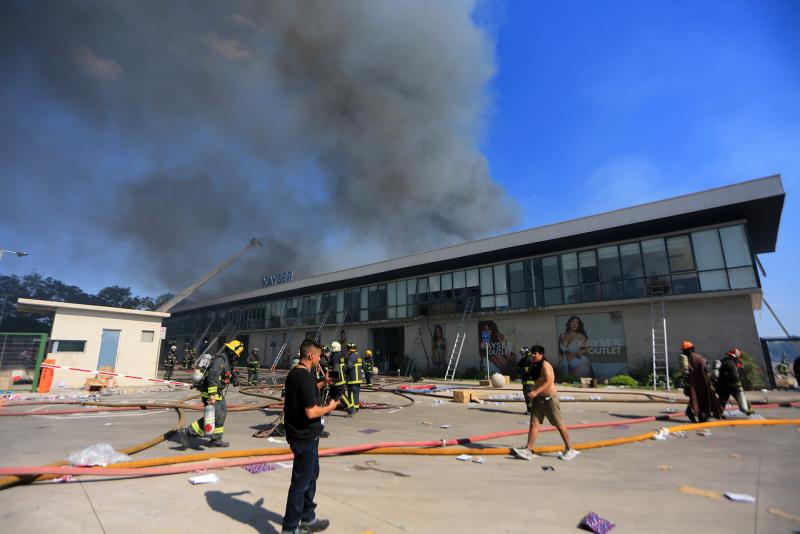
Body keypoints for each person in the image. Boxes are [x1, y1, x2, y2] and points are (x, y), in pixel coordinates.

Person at [281, 339, 337, 534]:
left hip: (308, 437)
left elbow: (306, 392)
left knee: (310, 477)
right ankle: (289, 528)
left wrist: (322, 383)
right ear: (311, 356)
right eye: (319, 356)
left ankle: (308, 518)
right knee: (300, 483)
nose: (320, 359)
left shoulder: (299, 375)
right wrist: (330, 407)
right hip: (303, 438)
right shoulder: (303, 377)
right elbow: (311, 412)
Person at [515, 345, 579, 461]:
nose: (533, 355)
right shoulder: (534, 365)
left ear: (541, 355)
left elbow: (549, 382)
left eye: (536, 353)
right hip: (538, 399)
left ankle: (570, 449)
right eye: (533, 353)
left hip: (549, 399)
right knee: (534, 423)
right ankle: (528, 450)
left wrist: (535, 392)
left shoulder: (545, 365)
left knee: (558, 424)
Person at [176, 339, 244, 448]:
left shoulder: (227, 361)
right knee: (214, 415)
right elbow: (212, 376)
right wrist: (212, 395)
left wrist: (233, 379)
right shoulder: (221, 360)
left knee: (222, 413)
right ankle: (187, 432)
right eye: (236, 354)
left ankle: (216, 439)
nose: (236, 357)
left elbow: (223, 376)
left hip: (218, 391)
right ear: (232, 352)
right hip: (210, 392)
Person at [680, 340, 721, 423]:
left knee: (696, 399)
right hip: (701, 384)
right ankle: (698, 414)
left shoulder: (687, 359)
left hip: (694, 384)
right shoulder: (696, 358)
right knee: (701, 399)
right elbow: (705, 367)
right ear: (692, 348)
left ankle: (697, 414)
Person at [715, 348, 753, 416]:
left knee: (723, 400)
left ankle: (718, 413)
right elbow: (734, 376)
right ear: (734, 356)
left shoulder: (725, 361)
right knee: (740, 397)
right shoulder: (731, 364)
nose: (739, 358)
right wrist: (739, 385)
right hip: (731, 385)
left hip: (723, 385)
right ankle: (748, 410)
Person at [327, 342, 353, 414]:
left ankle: (351, 408)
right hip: (341, 378)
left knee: (341, 396)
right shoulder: (341, 355)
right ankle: (327, 410)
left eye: (332, 347)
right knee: (330, 395)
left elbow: (335, 368)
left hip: (337, 380)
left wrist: (332, 379)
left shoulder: (335, 357)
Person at [345, 343, 363, 416]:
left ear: (350, 349)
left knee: (351, 395)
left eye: (347, 349)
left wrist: (344, 364)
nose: (347, 350)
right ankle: (356, 408)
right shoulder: (358, 355)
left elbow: (349, 366)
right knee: (356, 394)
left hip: (352, 379)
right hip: (358, 379)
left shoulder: (352, 356)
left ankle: (352, 410)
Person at [516, 346, 534, 414]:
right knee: (527, 397)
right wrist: (521, 370)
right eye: (521, 353)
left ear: (526, 353)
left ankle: (531, 410)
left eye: (523, 353)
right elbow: (518, 368)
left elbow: (532, 369)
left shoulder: (529, 360)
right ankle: (530, 410)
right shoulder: (522, 361)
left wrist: (524, 369)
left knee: (529, 396)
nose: (522, 355)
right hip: (525, 382)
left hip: (530, 382)